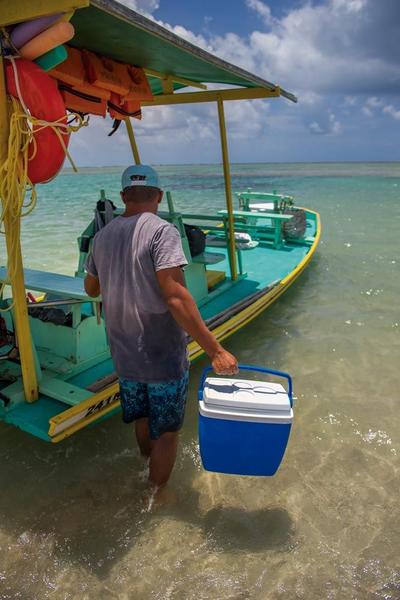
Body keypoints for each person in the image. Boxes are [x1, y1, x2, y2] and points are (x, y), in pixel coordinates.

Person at [84, 165, 238, 488]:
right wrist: (216, 349)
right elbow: (176, 298)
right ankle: (157, 500)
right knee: (167, 432)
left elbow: (91, 288)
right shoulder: (162, 231)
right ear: (158, 195)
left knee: (142, 417)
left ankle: (145, 467)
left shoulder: (100, 237)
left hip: (124, 355)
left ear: (123, 196)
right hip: (162, 356)